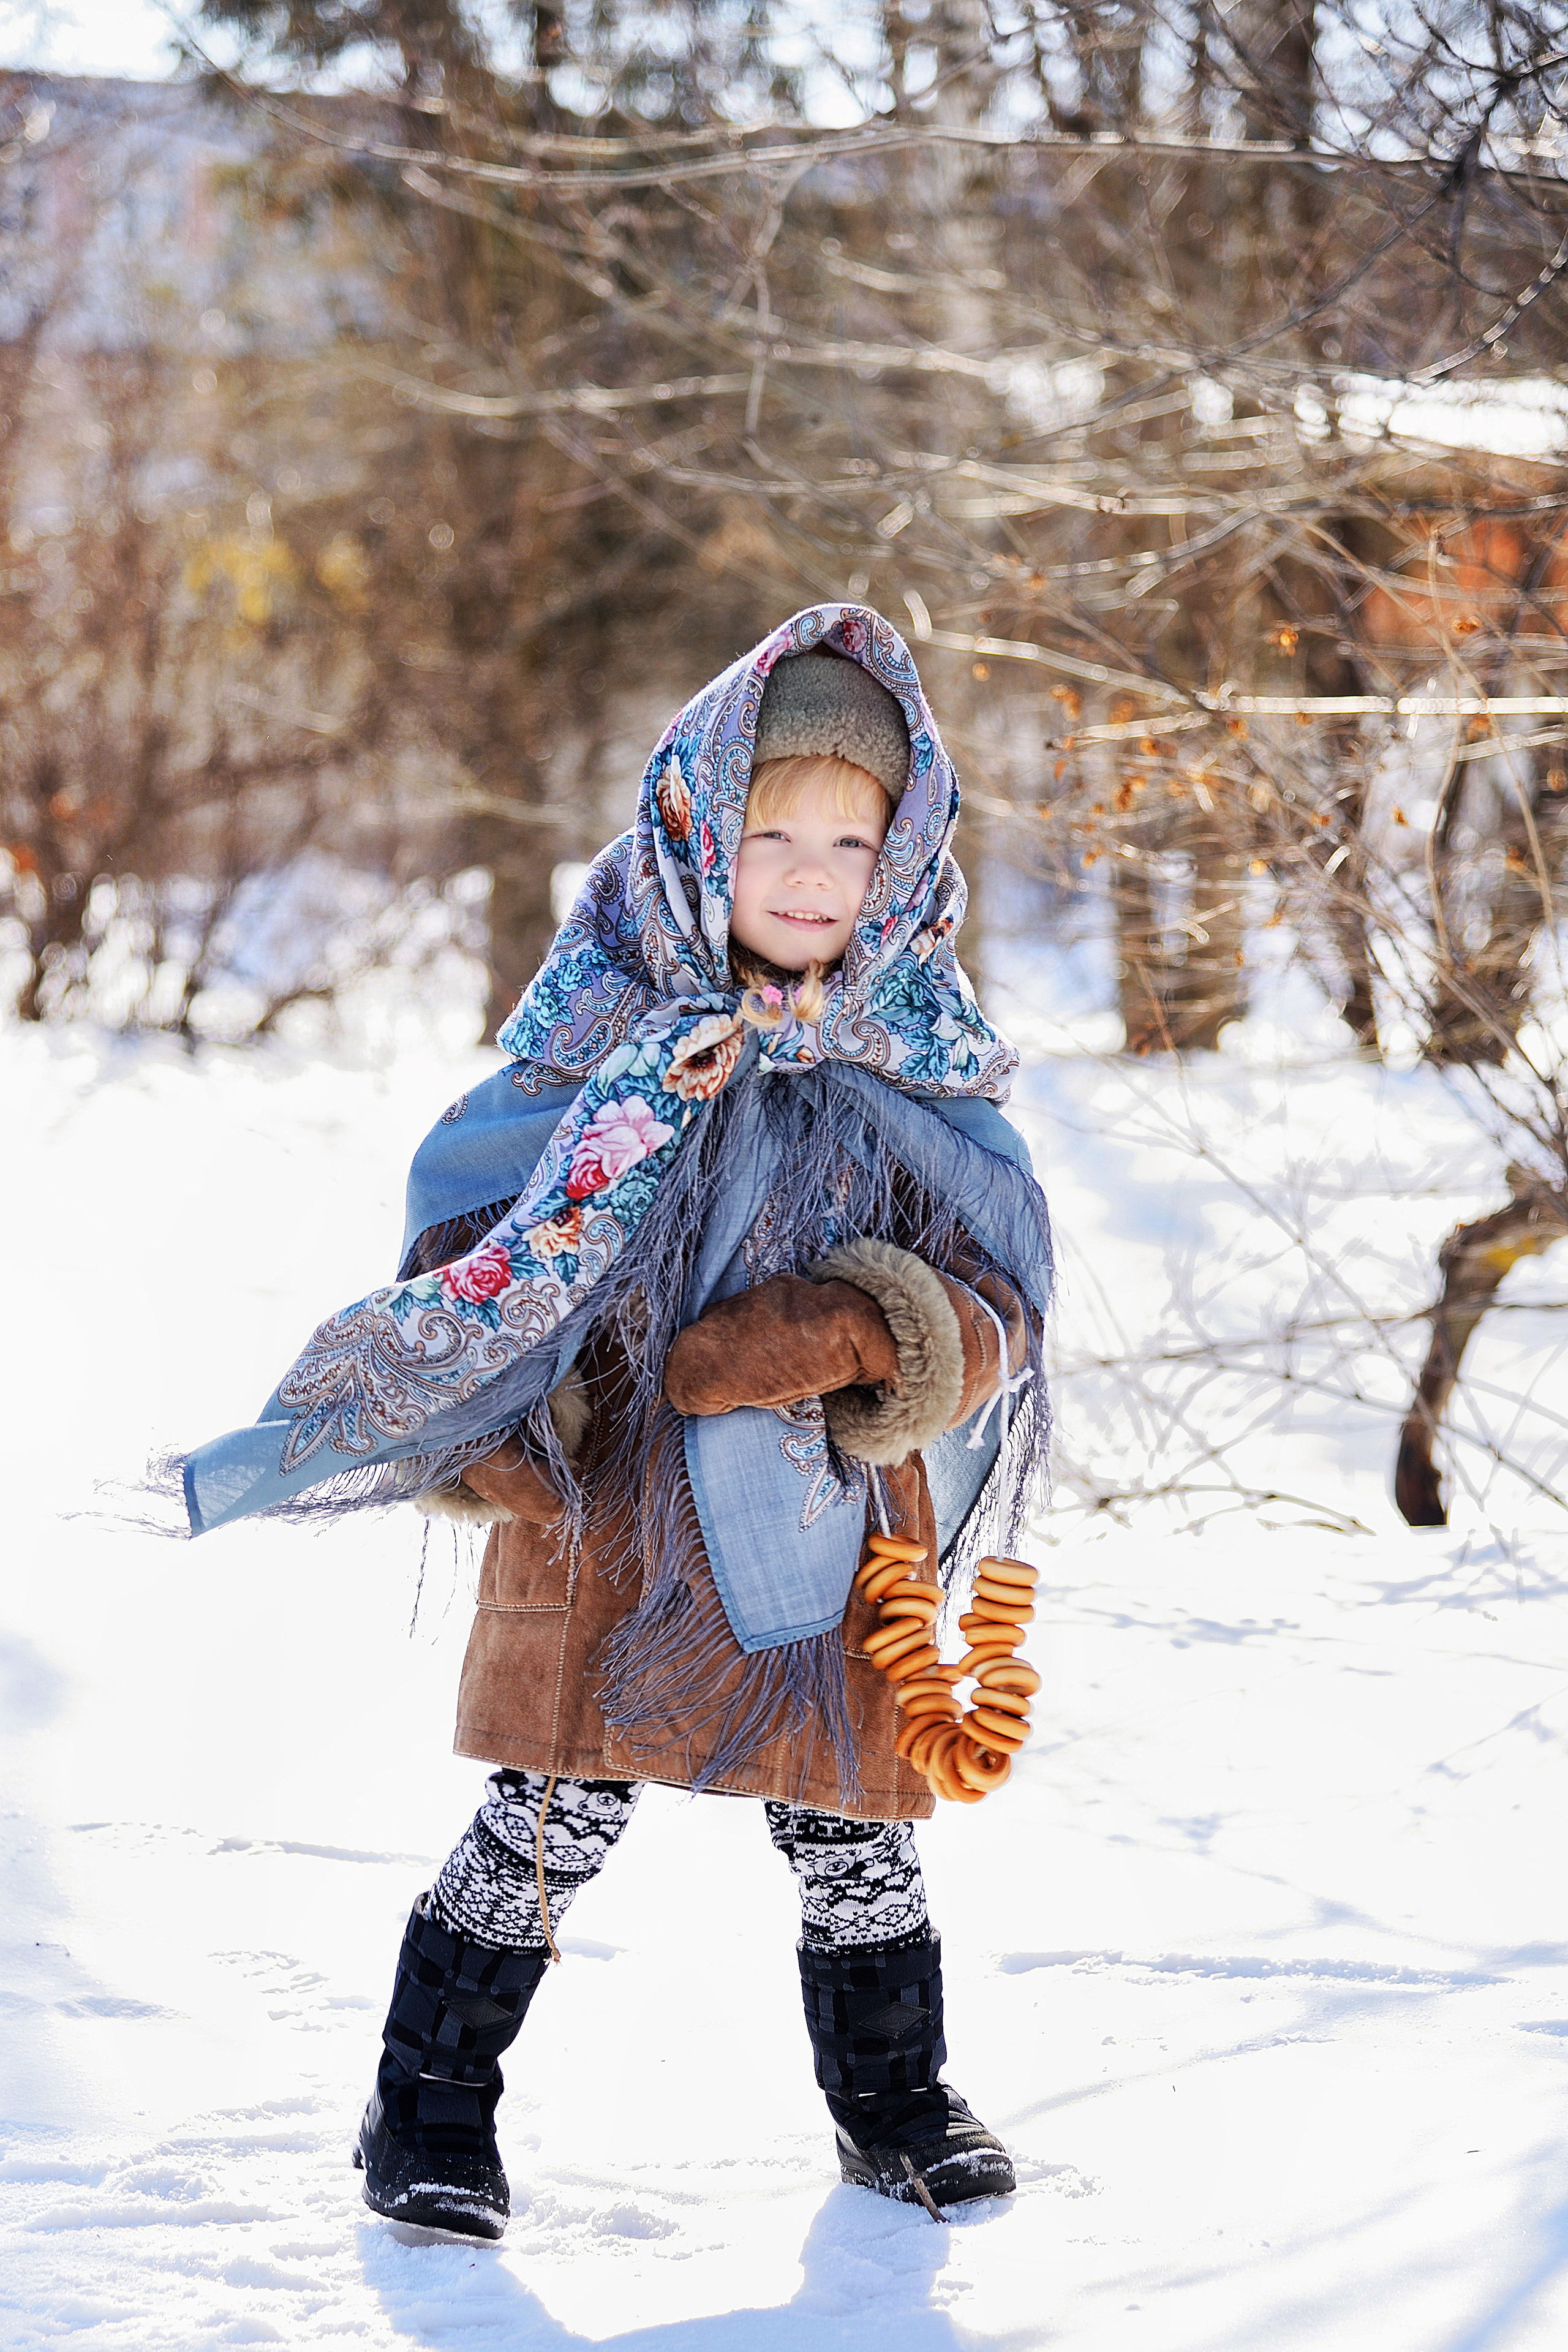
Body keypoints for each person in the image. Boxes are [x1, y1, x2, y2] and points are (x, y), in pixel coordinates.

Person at [177, 606, 1054, 2239]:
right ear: (690, 834)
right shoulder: (599, 1032)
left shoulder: (926, 1048)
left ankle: (896, 2100)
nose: (808, 874)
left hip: (833, 1501)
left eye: (850, 840)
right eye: (768, 831)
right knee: (551, 1809)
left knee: (856, 1816)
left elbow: (1003, 1292)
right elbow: (469, 1235)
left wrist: (881, 1329)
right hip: (611, 1503)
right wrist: (507, 1407)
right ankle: (427, 2108)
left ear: (905, 854)